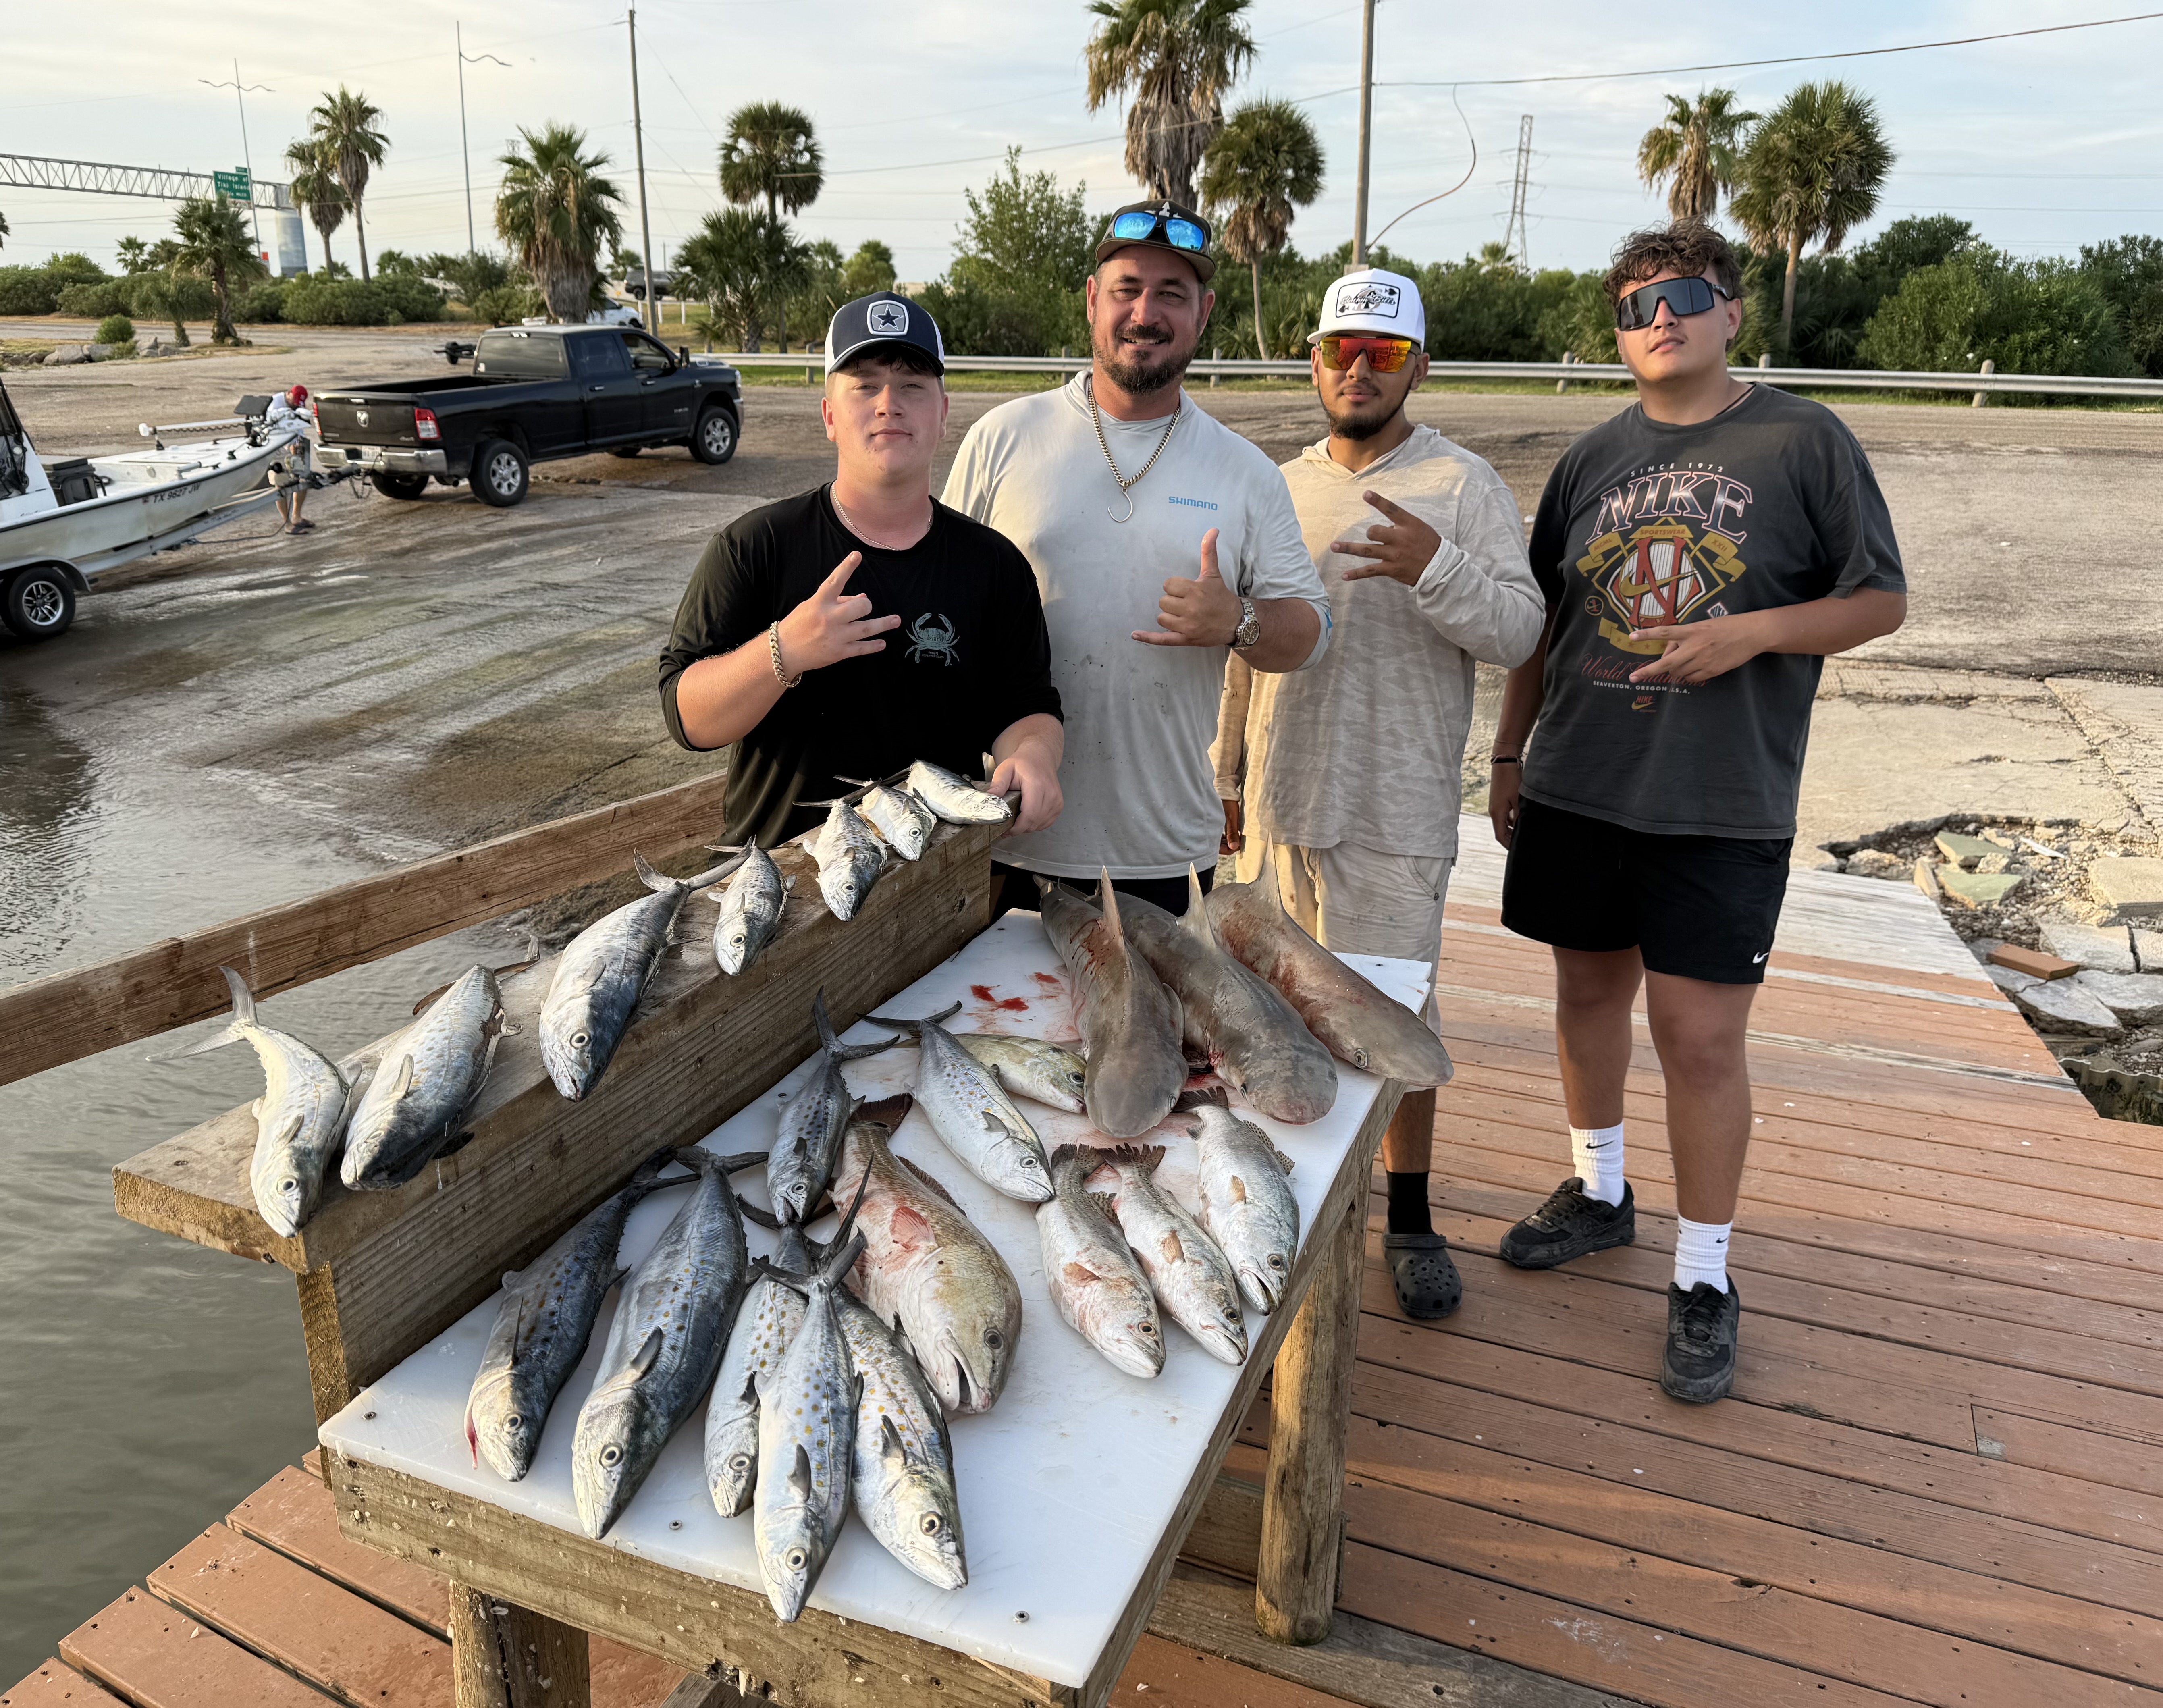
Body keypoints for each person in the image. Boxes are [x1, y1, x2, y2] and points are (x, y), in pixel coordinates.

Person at [1488, 220, 1907, 1403]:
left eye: (1680, 294)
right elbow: (1543, 620)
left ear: (1730, 312)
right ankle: (1600, 1188)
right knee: (1585, 995)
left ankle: (1705, 1272)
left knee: (1702, 1036)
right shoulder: (1588, 458)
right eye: (1630, 305)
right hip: (1578, 781)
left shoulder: (1801, 438)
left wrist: (1753, 630)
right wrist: (1509, 751)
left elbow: (1878, 599)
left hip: (1723, 801)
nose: (1656, 318)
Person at [1212, 268, 1544, 1320]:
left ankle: (1407, 1217)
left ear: (1418, 367)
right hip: (1274, 807)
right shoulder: (1272, 482)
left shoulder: (1462, 486)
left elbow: (1518, 631)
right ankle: (1284, 1208)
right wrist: (1222, 773)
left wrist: (1433, 565)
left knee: (1390, 1021)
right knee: (1268, 1019)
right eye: (1341, 350)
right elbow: (1238, 641)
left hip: (1391, 814)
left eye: (1384, 353)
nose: (1358, 368)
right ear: (1312, 360)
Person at [941, 199, 1328, 916]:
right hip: (1000, 836)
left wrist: (1237, 620)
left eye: (1172, 294)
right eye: (1126, 289)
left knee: (1151, 1035)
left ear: (1204, 312)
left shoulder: (1244, 473)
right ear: (1093, 300)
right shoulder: (1003, 440)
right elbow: (941, 612)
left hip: (1161, 856)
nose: (1145, 312)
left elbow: (1311, 633)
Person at [657, 292, 1064, 847]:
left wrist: (1034, 755)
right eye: (865, 384)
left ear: (943, 415)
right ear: (829, 416)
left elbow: (1027, 706)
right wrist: (783, 651)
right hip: (780, 894)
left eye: (913, 385)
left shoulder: (992, 565)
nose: (888, 403)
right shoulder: (756, 546)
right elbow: (688, 718)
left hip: (937, 882)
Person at [268, 385, 316, 534]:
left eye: (299, 404)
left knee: (304, 481)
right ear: (288, 394)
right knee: (281, 486)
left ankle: (297, 516)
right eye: (294, 401)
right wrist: (289, 447)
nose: (296, 405)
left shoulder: (296, 407)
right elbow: (273, 431)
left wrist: (298, 444)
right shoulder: (273, 405)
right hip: (278, 450)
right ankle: (287, 523)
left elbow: (298, 425)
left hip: (296, 446)